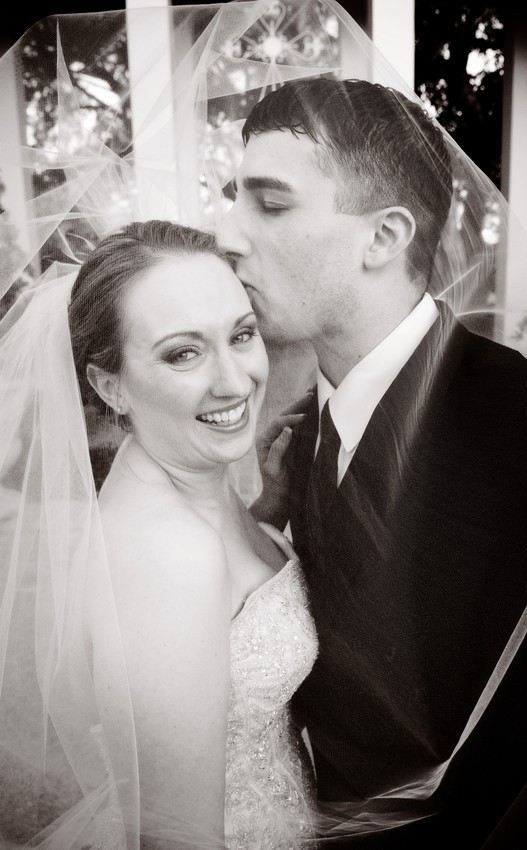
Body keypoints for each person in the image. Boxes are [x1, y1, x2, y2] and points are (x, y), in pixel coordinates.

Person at [217, 76, 527, 848]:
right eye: (232, 199)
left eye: (269, 204)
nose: (228, 235)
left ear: (382, 237)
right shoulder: (296, 432)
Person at [0, 219, 319, 849]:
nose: (234, 382)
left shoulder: (192, 480)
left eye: (241, 335)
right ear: (109, 385)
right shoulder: (167, 556)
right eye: (183, 353)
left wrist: (266, 517)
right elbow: (175, 837)